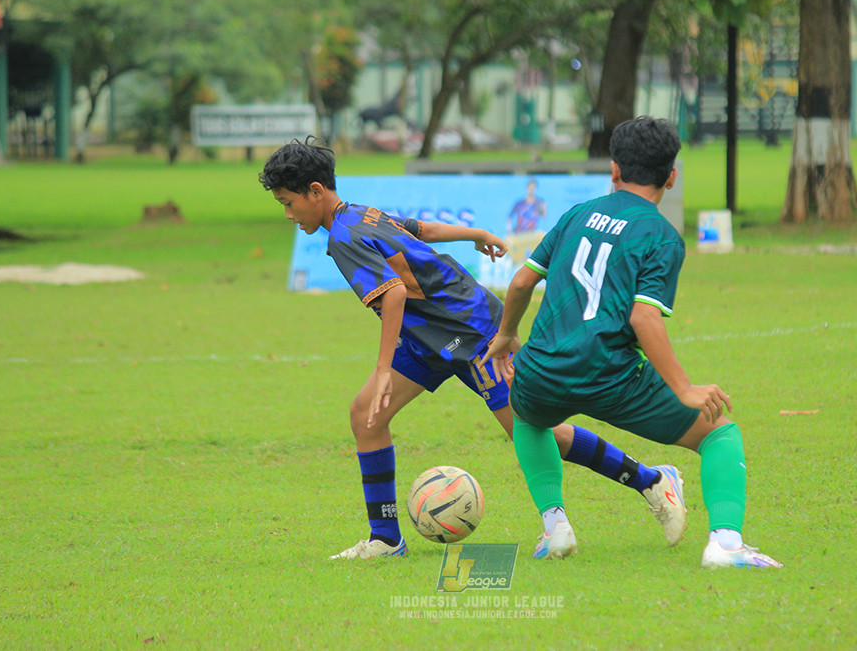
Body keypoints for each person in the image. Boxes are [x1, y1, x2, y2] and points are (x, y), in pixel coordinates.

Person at [258, 137, 687, 560]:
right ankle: (386, 538)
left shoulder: (345, 236)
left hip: (474, 330)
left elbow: (391, 295)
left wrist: (384, 368)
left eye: (288, 202)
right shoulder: (358, 215)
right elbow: (422, 231)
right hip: (427, 338)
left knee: (533, 432)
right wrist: (475, 232)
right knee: (366, 416)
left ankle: (651, 480)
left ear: (316, 192)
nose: (288, 213)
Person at [481, 116, 782, 568]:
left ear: (614, 170)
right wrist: (684, 389)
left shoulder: (578, 213)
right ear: (672, 177)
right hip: (611, 373)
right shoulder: (661, 235)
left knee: (526, 416)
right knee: (719, 433)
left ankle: (555, 525)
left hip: (542, 369)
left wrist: (506, 334)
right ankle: (725, 544)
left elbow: (522, 282)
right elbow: (644, 316)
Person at [505, 179, 548, 266]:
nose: (531, 189)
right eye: (530, 187)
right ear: (527, 188)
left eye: (533, 187)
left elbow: (544, 216)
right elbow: (509, 219)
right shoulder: (520, 203)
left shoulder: (539, 203)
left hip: (531, 234)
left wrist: (544, 207)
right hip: (519, 234)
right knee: (518, 260)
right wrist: (509, 232)